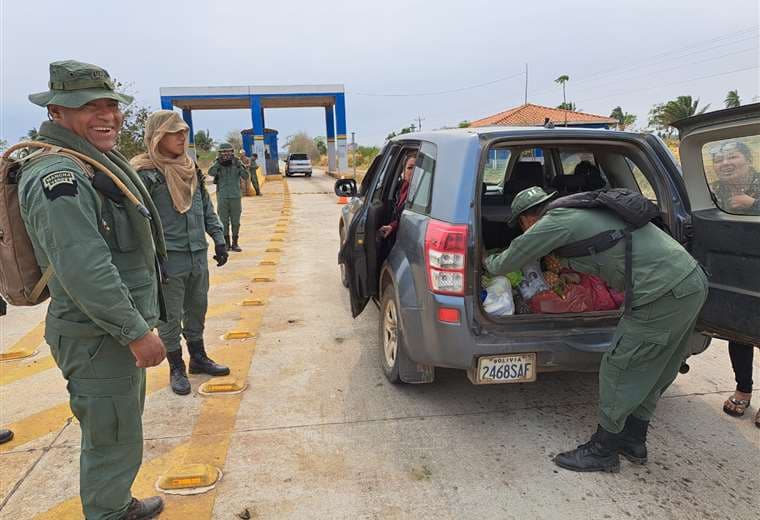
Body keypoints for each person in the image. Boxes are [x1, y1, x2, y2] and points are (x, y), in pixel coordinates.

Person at [19, 60, 165, 519]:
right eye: (89, 107)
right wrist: (134, 331)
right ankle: (109, 513)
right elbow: (83, 266)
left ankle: (114, 503)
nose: (107, 116)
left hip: (107, 332)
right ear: (58, 111)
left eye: (111, 105)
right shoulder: (58, 175)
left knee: (118, 432)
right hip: (98, 335)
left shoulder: (93, 159)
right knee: (111, 435)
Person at [484, 186, 708, 473]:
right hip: (690, 282)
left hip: (661, 293)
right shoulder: (583, 212)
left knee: (620, 366)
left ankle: (603, 450)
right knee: (659, 364)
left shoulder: (553, 223)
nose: (524, 228)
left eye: (521, 224)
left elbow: (507, 262)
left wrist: (485, 261)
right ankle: (633, 440)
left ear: (527, 219)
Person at [132, 111, 230, 396]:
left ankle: (198, 358)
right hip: (168, 258)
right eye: (174, 132)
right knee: (170, 316)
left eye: (184, 132)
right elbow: (139, 222)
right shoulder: (145, 173)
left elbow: (205, 207)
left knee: (197, 308)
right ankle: (176, 366)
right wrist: (150, 259)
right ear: (158, 136)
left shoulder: (191, 168)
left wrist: (219, 239)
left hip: (197, 253)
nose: (181, 137)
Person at [710, 140, 760, 427]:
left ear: (748, 160)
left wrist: (754, 205)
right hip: (734, 266)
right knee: (738, 330)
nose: (725, 163)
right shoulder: (714, 189)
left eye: (733, 157)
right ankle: (743, 388)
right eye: (720, 159)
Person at [209, 143, 248, 252]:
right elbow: (210, 173)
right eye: (223, 152)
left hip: (235, 196)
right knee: (223, 221)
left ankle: (235, 243)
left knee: (236, 222)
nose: (226, 154)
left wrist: (239, 165)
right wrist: (218, 163)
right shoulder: (217, 163)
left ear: (232, 152)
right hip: (222, 197)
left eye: (228, 151)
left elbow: (246, 176)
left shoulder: (237, 163)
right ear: (220, 153)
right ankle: (226, 243)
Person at [378, 153, 416, 239]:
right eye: (410, 168)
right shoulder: (397, 186)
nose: (414, 171)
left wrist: (393, 226)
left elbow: (410, 219)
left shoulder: (423, 194)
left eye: (417, 168)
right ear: (404, 171)